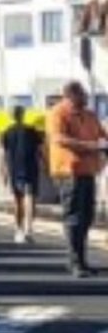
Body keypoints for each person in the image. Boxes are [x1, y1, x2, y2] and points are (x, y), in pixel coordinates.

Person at [45, 81, 105, 277]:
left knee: (87, 217)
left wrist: (102, 146)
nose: (86, 99)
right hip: (68, 172)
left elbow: (102, 137)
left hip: (88, 171)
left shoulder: (90, 115)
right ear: (70, 97)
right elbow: (58, 139)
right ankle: (74, 262)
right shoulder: (58, 113)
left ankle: (81, 259)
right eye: (82, 96)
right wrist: (90, 146)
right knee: (73, 218)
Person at [0, 105, 44, 244]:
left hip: (15, 169)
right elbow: (40, 151)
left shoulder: (6, 132)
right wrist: (47, 165)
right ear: (23, 114)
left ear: (11, 116)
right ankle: (29, 230)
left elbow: (3, 155)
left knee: (18, 201)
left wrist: (4, 171)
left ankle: (18, 230)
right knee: (30, 199)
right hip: (31, 168)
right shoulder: (32, 130)